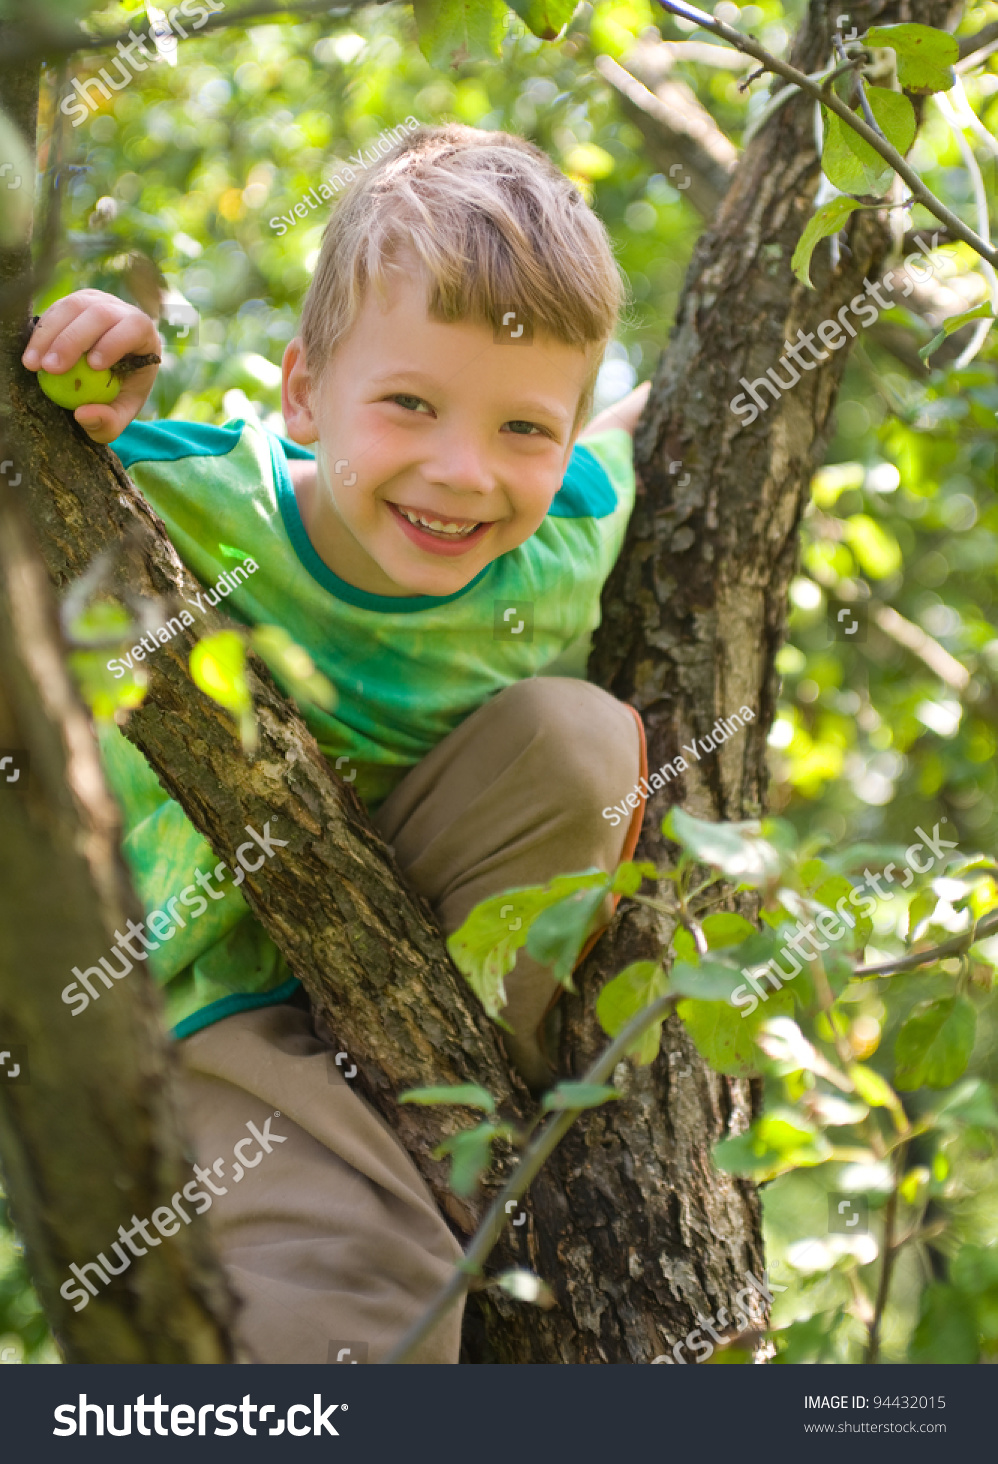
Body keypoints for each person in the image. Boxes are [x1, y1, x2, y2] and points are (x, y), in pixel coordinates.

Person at [23, 123, 649, 1363]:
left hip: (416, 929)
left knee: (580, 743)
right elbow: (31, 470)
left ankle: (440, 1077)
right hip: (198, 999)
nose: (462, 472)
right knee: (354, 1304)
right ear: (304, 391)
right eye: (408, 403)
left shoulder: (566, 530)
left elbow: (628, 430)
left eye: (524, 429)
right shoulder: (186, 501)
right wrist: (74, 367)